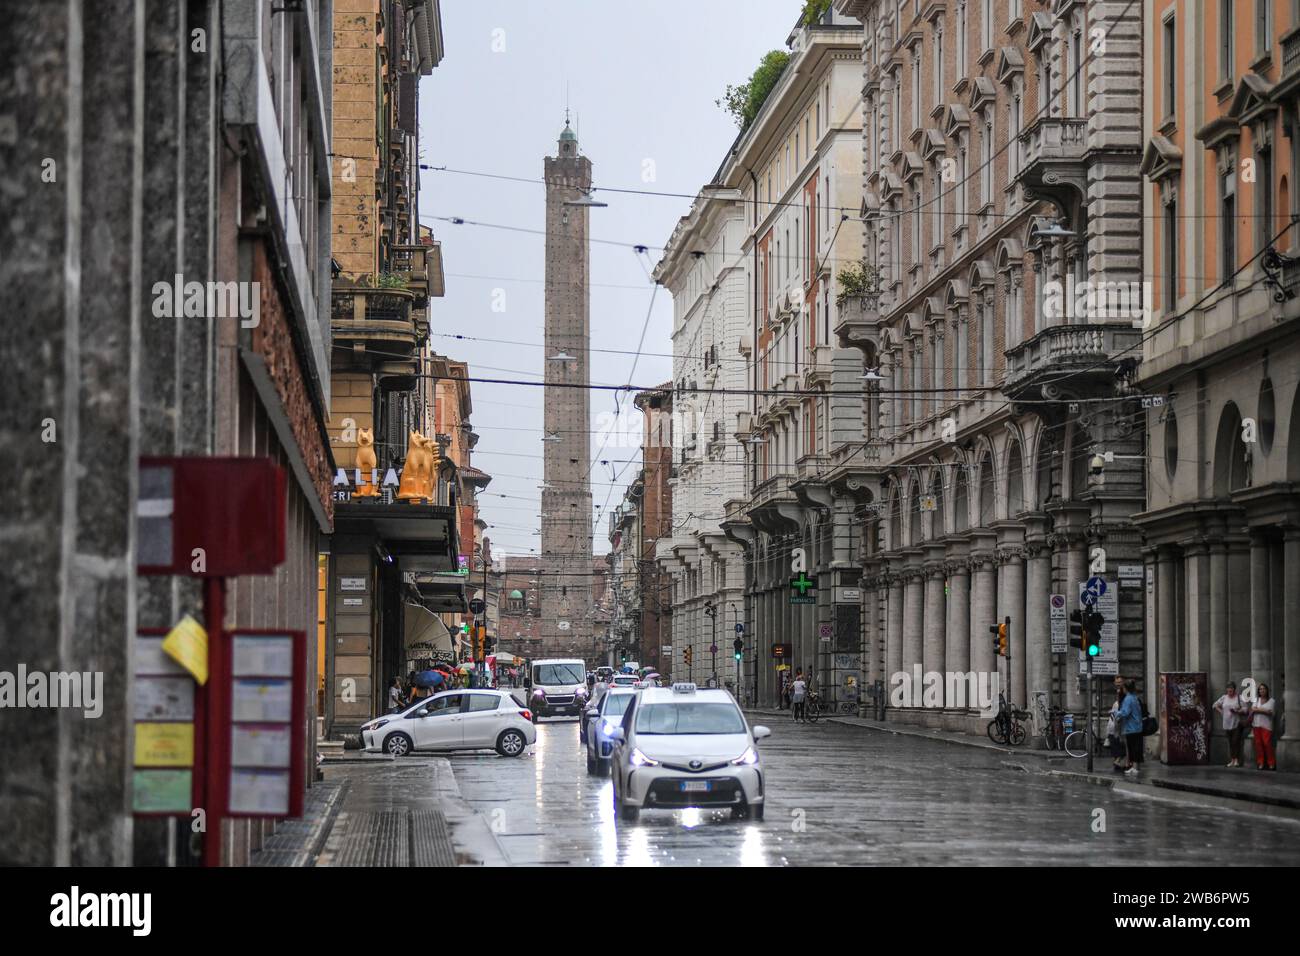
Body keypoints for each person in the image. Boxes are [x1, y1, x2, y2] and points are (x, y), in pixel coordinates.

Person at [1213, 681, 1246, 768]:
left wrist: (1238, 711)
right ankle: (1232, 760)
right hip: (1226, 723)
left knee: (1236, 741)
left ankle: (1236, 760)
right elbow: (1215, 705)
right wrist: (1222, 712)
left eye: (1231, 688)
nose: (1229, 690)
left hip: (1236, 722)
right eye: (1228, 688)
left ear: (1234, 689)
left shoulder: (1239, 697)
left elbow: (1245, 709)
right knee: (1231, 742)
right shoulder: (1224, 697)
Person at [1245, 684, 1277, 771]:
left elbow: (1270, 712)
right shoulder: (1256, 700)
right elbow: (1253, 709)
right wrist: (1264, 710)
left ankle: (1271, 763)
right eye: (1260, 689)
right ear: (1258, 691)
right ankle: (1261, 763)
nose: (1262, 691)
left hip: (1266, 726)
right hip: (1256, 725)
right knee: (1258, 745)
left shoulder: (1272, 701)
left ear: (1267, 690)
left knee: (1267, 744)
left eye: (1263, 689)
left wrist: (1258, 710)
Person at [1116, 679, 1144, 775]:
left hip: (1131, 727)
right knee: (1136, 747)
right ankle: (1135, 767)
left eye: (1123, 687)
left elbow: (1125, 712)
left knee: (1133, 748)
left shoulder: (1128, 699)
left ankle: (1135, 767)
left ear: (1125, 688)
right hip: (1137, 726)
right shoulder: (1135, 697)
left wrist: (1116, 713)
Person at [1107, 687, 1127, 772]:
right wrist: (1117, 732)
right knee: (1122, 748)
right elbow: (1117, 719)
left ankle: (1117, 764)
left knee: (1116, 748)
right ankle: (1117, 761)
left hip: (1112, 727)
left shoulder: (1117, 703)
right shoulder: (1120, 704)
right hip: (1116, 728)